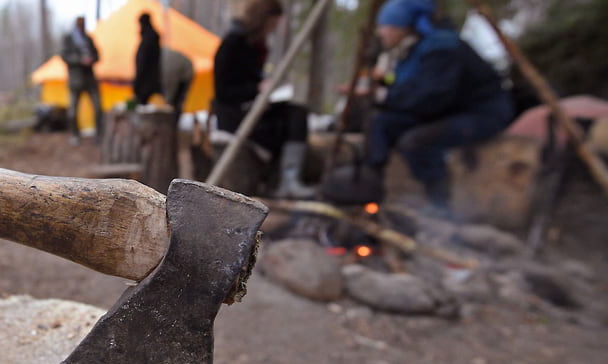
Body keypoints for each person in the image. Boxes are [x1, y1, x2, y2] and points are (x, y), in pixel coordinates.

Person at [321, 0, 514, 211]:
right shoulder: (411, 49)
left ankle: (439, 204)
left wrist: (382, 95)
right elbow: (411, 90)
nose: (380, 33)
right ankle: (368, 187)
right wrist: (377, 91)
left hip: (480, 113)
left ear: (401, 26)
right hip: (440, 111)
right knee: (380, 124)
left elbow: (432, 97)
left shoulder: (441, 48)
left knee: (416, 141)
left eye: (384, 26)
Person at [213, 0, 309, 198]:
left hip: (251, 109)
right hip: (234, 117)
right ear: (261, 20)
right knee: (285, 123)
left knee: (296, 114)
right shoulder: (231, 45)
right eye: (271, 25)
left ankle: (287, 180)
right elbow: (223, 92)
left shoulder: (255, 46)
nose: (272, 30)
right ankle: (278, 181)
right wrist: (256, 88)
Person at [61, 16, 103, 145]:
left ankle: (99, 134)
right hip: (76, 80)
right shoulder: (69, 39)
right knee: (73, 110)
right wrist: (80, 60)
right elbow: (64, 56)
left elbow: (97, 55)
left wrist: (91, 59)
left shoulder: (88, 39)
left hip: (90, 78)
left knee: (97, 107)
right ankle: (75, 135)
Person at [133, 13, 162, 105]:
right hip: (154, 81)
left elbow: (143, 62)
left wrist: (137, 83)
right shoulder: (152, 38)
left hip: (146, 84)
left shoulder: (148, 39)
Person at [161, 47, 194, 116]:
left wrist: (167, 101)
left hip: (185, 73)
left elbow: (170, 84)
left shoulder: (168, 66)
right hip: (181, 70)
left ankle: (173, 121)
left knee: (176, 103)